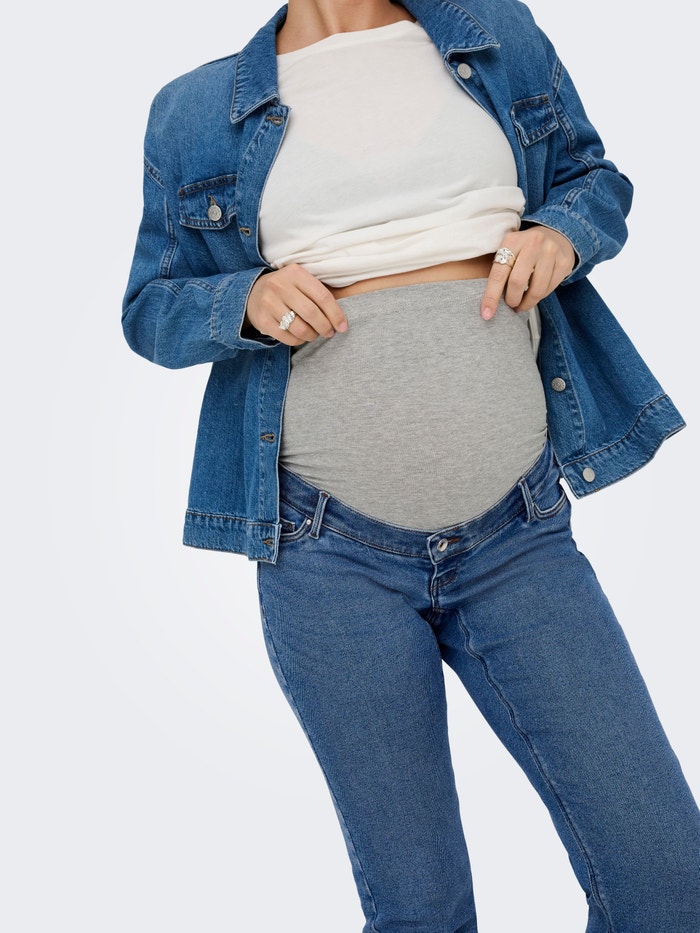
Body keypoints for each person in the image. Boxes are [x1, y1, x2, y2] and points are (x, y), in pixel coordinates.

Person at [122, 0, 700, 930]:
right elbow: (150, 307)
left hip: (520, 535)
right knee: (420, 912)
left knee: (667, 880)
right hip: (326, 555)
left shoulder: (496, 35)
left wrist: (561, 235)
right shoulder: (194, 110)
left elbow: (594, 181)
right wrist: (247, 298)